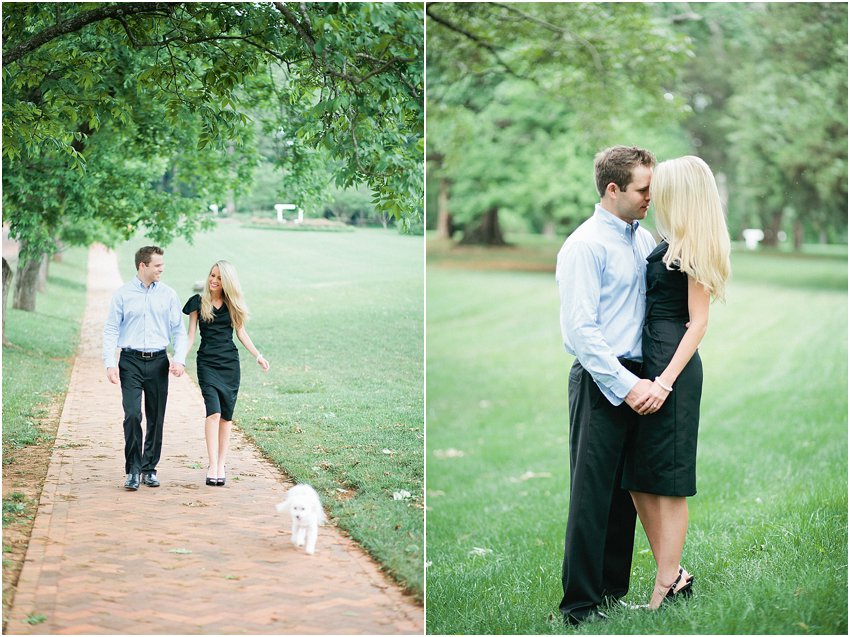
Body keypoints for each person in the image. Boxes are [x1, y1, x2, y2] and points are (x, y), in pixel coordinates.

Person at [621, 155, 731, 608]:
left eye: (660, 185)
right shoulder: (666, 239)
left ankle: (665, 587)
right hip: (651, 365)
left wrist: (664, 382)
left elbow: (699, 323)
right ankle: (674, 573)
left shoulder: (693, 245)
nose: (652, 192)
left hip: (673, 372)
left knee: (668, 479)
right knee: (636, 477)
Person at [555, 145, 658, 624]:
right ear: (613, 188)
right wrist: (624, 383)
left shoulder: (642, 239)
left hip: (640, 376)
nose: (650, 197)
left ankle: (613, 593)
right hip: (601, 379)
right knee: (593, 494)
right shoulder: (585, 245)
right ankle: (579, 604)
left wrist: (646, 381)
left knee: (626, 494)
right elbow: (581, 331)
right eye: (643, 188)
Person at [103, 246, 188, 491]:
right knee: (132, 415)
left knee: (155, 417)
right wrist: (110, 363)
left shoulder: (169, 295)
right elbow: (111, 329)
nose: (162, 269)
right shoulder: (122, 294)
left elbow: (178, 331)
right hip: (130, 361)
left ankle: (149, 468)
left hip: (159, 361)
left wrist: (179, 359)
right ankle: (133, 469)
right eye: (158, 265)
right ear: (143, 266)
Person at [183, 260, 269, 486]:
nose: (213, 280)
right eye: (212, 275)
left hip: (230, 365)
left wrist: (258, 356)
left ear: (227, 282)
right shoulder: (197, 303)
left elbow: (241, 333)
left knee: (226, 417)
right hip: (207, 364)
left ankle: (222, 464)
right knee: (213, 413)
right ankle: (212, 464)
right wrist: (179, 359)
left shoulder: (232, 306)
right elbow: (190, 336)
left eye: (219, 278)